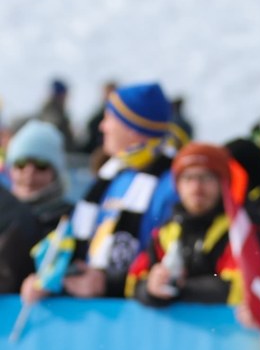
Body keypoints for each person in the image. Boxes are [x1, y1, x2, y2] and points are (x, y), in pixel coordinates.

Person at [26, 82, 180, 303]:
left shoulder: (171, 183)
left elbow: (173, 259)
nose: (102, 127)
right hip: (97, 317)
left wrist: (109, 283)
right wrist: (49, 280)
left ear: (132, 127)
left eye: (109, 118)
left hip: (139, 318)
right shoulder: (111, 174)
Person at [127, 143, 238, 306]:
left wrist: (179, 287)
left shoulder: (237, 231)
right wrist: (151, 288)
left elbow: (239, 288)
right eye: (188, 178)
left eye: (206, 177)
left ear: (222, 184)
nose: (196, 187)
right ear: (177, 186)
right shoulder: (166, 232)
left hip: (224, 330)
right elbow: (132, 283)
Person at [0, 121, 75, 294]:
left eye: (41, 165)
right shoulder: (5, 214)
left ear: (55, 173)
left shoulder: (68, 217)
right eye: (20, 164)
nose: (29, 174)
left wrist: (54, 283)